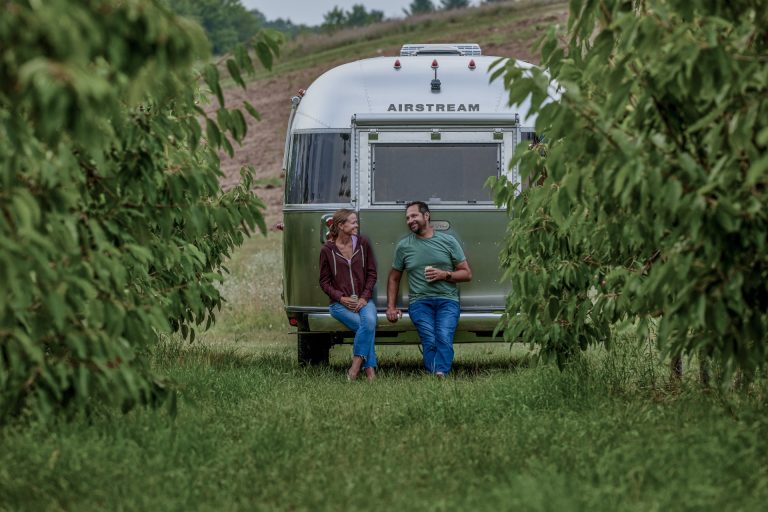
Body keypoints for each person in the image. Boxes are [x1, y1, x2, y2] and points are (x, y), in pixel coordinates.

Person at [386, 201, 472, 377]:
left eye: (414, 216)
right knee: (429, 339)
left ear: (426, 216)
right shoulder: (404, 246)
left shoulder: (448, 241)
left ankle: (438, 372)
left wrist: (445, 274)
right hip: (419, 302)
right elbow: (394, 278)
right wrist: (391, 307)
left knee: (443, 336)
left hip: (447, 300)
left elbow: (467, 274)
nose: (410, 220)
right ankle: (438, 373)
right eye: (407, 218)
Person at [319, 209, 378, 381]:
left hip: (364, 300)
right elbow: (324, 282)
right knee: (366, 327)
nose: (356, 225)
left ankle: (354, 368)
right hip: (338, 305)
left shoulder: (362, 244)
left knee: (369, 322)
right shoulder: (327, 250)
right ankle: (370, 371)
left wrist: (364, 297)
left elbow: (372, 274)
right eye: (353, 222)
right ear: (340, 225)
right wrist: (341, 298)